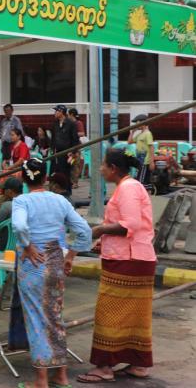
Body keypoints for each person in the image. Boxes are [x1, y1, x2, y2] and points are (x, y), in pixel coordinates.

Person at [77, 150, 157, 383]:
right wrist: (104, 241)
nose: (100, 169)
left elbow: (129, 224)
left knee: (109, 314)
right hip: (134, 258)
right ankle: (138, 363)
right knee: (134, 316)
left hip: (128, 260)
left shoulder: (128, 188)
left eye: (103, 165)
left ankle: (104, 367)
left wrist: (99, 230)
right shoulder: (129, 187)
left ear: (113, 168)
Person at [12, 158, 92, 388]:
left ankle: (41, 381)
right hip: (56, 260)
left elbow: (19, 226)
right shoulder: (59, 200)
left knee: (37, 319)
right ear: (45, 178)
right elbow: (84, 230)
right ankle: (61, 376)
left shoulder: (22, 201)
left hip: (33, 264)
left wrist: (27, 246)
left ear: (24, 179)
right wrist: (71, 256)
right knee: (55, 316)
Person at [51, 105, 79, 196]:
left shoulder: (71, 124)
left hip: (67, 153)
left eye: (56, 111)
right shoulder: (55, 123)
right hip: (56, 153)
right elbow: (53, 138)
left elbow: (75, 139)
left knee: (66, 173)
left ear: (61, 112)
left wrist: (73, 152)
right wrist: (52, 149)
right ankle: (57, 192)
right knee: (56, 173)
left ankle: (67, 193)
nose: (55, 113)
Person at [0, 177, 23, 251]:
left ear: (9, 192)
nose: (2, 193)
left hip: (3, 245)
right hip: (21, 244)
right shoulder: (25, 202)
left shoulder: (7, 205)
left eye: (3, 191)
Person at [128, 115, 154, 184]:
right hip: (139, 160)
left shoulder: (148, 134)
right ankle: (149, 188)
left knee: (141, 181)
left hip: (145, 161)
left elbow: (151, 147)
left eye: (137, 123)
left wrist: (151, 162)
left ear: (143, 123)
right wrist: (132, 132)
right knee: (141, 179)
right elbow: (129, 142)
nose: (136, 125)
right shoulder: (140, 134)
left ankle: (148, 188)